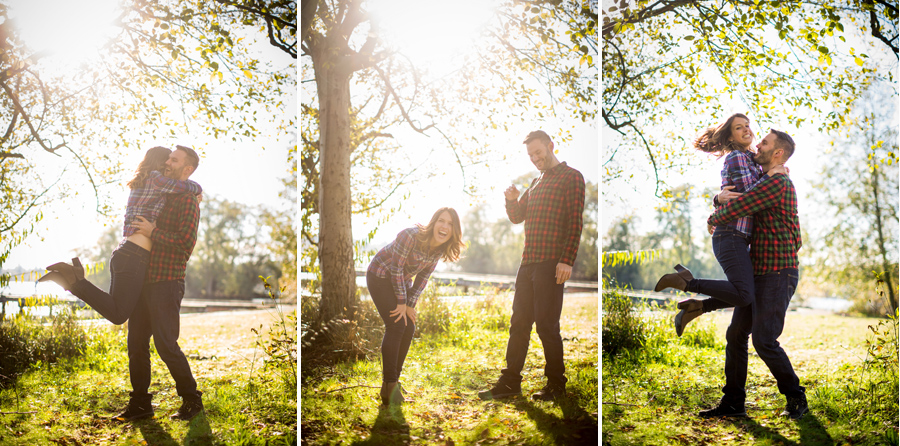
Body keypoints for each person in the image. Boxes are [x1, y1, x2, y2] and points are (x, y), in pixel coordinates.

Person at [698, 129, 807, 419]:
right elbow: (742, 194)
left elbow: (745, 204)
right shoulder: (768, 179)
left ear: (778, 153)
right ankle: (733, 402)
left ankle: (796, 397)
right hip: (760, 271)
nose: (758, 144)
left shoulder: (777, 183)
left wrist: (713, 217)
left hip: (777, 272)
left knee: (764, 340)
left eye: (765, 143)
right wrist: (717, 198)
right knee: (736, 335)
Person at [38, 146, 202, 325]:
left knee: (116, 309)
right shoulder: (156, 179)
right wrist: (197, 190)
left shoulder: (144, 182)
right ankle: (74, 280)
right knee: (118, 315)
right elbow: (186, 186)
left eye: (172, 161)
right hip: (135, 255)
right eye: (167, 161)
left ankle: (71, 279)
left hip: (127, 252)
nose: (168, 165)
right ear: (159, 162)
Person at [653, 114, 785, 335]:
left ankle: (698, 306)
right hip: (730, 235)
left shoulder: (751, 158)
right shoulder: (736, 157)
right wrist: (772, 175)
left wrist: (718, 199)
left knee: (746, 294)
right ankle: (688, 282)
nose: (746, 130)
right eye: (738, 128)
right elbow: (750, 196)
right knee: (744, 295)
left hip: (740, 238)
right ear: (730, 136)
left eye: (747, 126)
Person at [478, 130, 585, 401]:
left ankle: (556, 386)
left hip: (551, 263)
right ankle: (510, 382)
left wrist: (566, 260)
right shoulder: (535, 182)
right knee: (519, 323)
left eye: (538, 152)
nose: (535, 158)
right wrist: (512, 199)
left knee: (547, 326)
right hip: (527, 264)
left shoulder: (571, 177)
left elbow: (575, 222)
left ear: (550, 146)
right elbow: (517, 217)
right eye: (530, 155)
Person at [114, 145, 204, 421]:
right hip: (144, 278)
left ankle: (192, 400)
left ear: (186, 169)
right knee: (136, 343)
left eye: (174, 160)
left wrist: (155, 232)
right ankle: (141, 404)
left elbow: (185, 244)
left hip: (167, 281)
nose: (167, 162)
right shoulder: (164, 194)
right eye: (168, 157)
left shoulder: (188, 201)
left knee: (166, 344)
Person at [367, 207, 465, 405]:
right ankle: (391, 384)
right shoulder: (410, 235)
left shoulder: (439, 249)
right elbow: (396, 269)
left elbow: (422, 278)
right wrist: (402, 303)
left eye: (450, 224)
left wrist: (410, 305)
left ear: (454, 231)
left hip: (401, 281)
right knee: (396, 325)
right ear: (433, 222)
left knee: (408, 326)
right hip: (380, 275)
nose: (444, 226)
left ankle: (391, 383)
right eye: (441, 221)